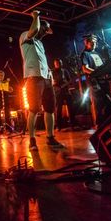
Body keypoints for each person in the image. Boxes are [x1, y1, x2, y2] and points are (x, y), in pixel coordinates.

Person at [19, 11, 64, 151]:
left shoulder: (40, 43)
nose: (45, 32)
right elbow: (34, 30)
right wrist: (36, 16)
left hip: (46, 79)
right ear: (39, 25)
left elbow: (41, 61)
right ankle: (32, 140)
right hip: (33, 78)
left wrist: (49, 73)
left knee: (50, 109)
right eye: (44, 29)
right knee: (33, 110)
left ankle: (50, 137)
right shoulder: (25, 35)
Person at [80, 34, 111, 126]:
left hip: (103, 80)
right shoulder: (85, 54)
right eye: (92, 42)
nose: (94, 44)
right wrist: (97, 73)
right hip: (95, 82)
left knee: (108, 101)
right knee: (100, 102)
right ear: (86, 43)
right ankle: (100, 123)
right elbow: (85, 69)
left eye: (95, 42)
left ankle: (107, 122)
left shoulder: (97, 53)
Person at [52, 59, 76, 130]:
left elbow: (70, 80)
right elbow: (51, 82)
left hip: (66, 91)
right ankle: (59, 125)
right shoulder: (52, 72)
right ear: (54, 64)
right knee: (58, 109)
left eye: (59, 63)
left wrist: (67, 84)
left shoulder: (65, 71)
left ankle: (72, 124)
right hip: (58, 92)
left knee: (71, 107)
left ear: (61, 63)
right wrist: (56, 86)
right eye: (56, 63)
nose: (58, 64)